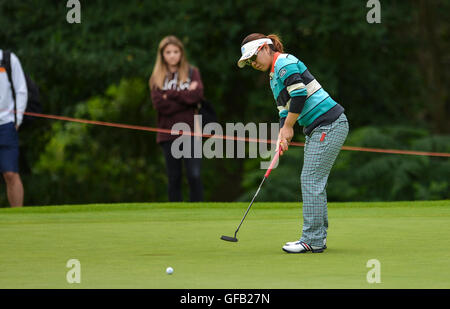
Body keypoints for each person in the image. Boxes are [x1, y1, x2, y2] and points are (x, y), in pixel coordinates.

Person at [237, 33, 349, 253]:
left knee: (311, 179)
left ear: (265, 48)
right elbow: (284, 109)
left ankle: (313, 240)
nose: (253, 63)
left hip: (329, 123)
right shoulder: (272, 76)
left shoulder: (284, 62)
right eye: (249, 61)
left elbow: (299, 94)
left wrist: (289, 127)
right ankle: (317, 238)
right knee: (314, 180)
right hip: (319, 128)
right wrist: (282, 133)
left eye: (254, 57)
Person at [149, 35, 204, 202]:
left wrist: (169, 95)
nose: (172, 55)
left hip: (191, 132)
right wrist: (185, 97)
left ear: (181, 53)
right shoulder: (156, 77)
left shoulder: (192, 73)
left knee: (194, 175)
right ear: (162, 55)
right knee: (174, 177)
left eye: (175, 51)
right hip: (167, 133)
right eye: (168, 52)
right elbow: (159, 105)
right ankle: (176, 215)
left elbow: (197, 96)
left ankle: (199, 212)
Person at [0, 49, 27, 207]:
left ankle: (19, 216)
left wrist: (18, 119)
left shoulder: (9, 59)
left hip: (6, 125)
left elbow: (21, 90)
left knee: (10, 174)